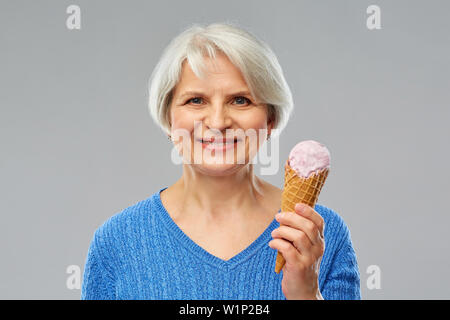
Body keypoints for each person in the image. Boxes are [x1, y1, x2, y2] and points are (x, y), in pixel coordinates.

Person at [81, 22, 361, 300]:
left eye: (240, 100)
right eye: (196, 101)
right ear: (168, 119)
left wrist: (307, 294)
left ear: (270, 119)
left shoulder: (321, 234)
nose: (217, 122)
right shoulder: (116, 241)